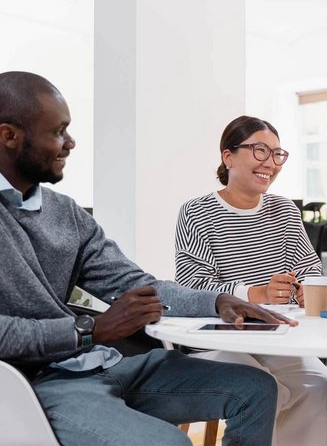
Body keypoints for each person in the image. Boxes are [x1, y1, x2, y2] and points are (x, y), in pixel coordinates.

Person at [0, 71, 298, 446]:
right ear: (9, 136)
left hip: (101, 363)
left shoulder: (66, 214)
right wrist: (87, 331)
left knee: (257, 389)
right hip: (35, 385)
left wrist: (219, 300)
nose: (71, 143)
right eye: (58, 131)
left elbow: (139, 286)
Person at [175, 115, 327, 446]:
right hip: (218, 342)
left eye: (277, 154)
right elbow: (192, 285)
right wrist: (256, 293)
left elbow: (311, 272)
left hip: (277, 338)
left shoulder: (285, 211)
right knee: (265, 388)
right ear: (228, 156)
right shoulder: (196, 212)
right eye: (260, 150)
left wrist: (308, 290)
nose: (271, 163)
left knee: (320, 385)